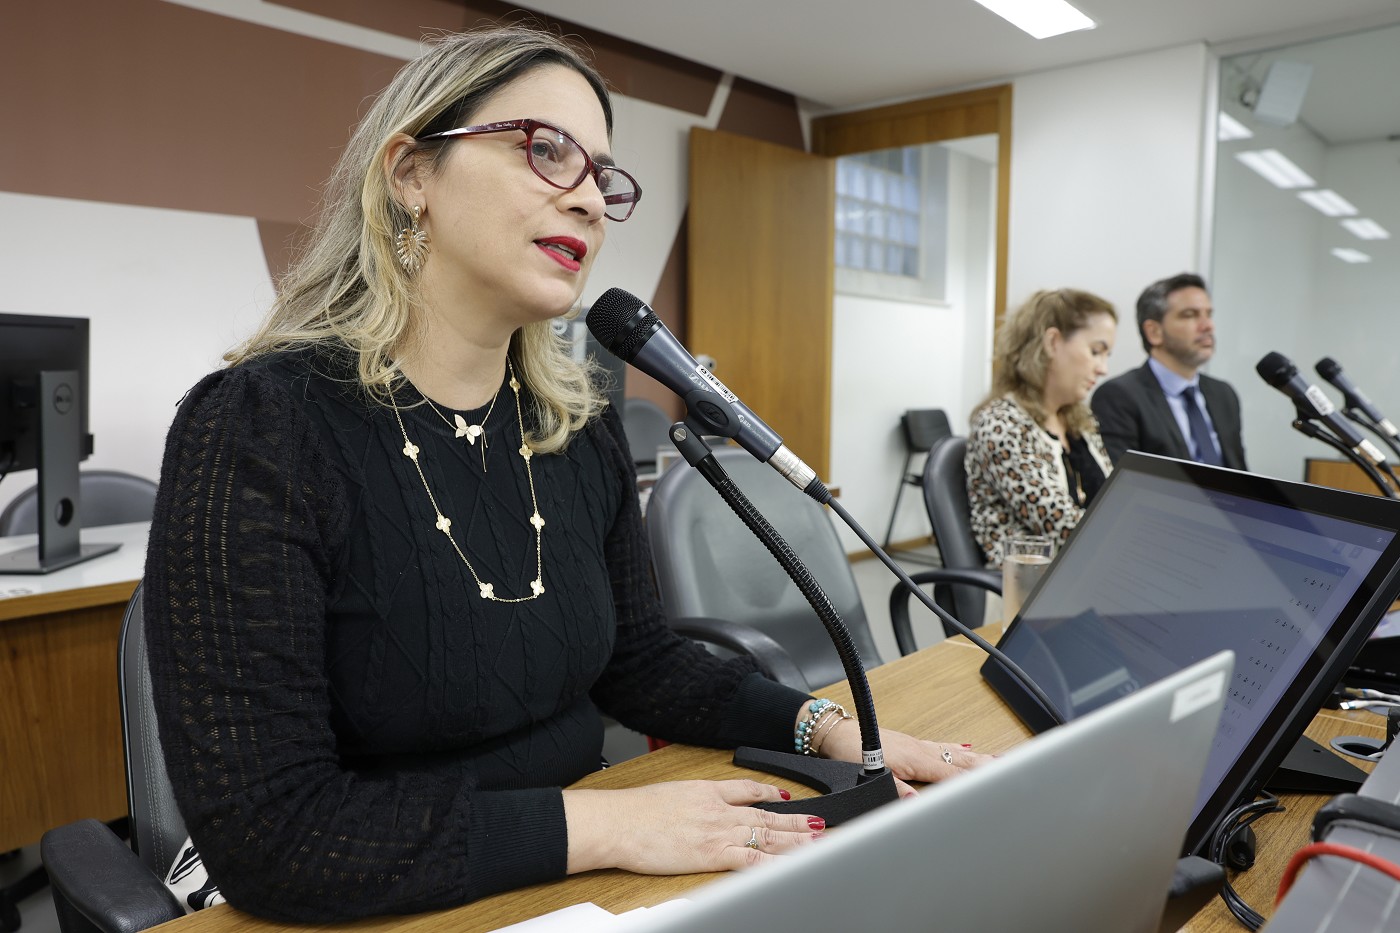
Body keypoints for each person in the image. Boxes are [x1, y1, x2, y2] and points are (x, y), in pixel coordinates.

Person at [142, 25, 990, 923]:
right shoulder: (259, 424)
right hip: (361, 895)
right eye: (546, 151)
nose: (588, 199)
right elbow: (276, 832)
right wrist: (610, 825)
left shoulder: (573, 426)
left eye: (601, 174)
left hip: (573, 885)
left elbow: (642, 663)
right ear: (410, 174)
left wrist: (828, 729)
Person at [966, 289, 1117, 567]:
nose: (1103, 369)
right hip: (1028, 591)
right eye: (1096, 352)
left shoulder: (1080, 422)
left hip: (1088, 574)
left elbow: (1112, 507)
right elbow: (1062, 528)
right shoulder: (1001, 423)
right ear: (1053, 342)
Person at [1090, 273, 1247, 469]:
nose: (1208, 326)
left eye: (1209, 314)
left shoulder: (1224, 394)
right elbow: (1123, 487)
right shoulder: (1119, 397)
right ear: (1154, 332)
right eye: (1190, 315)